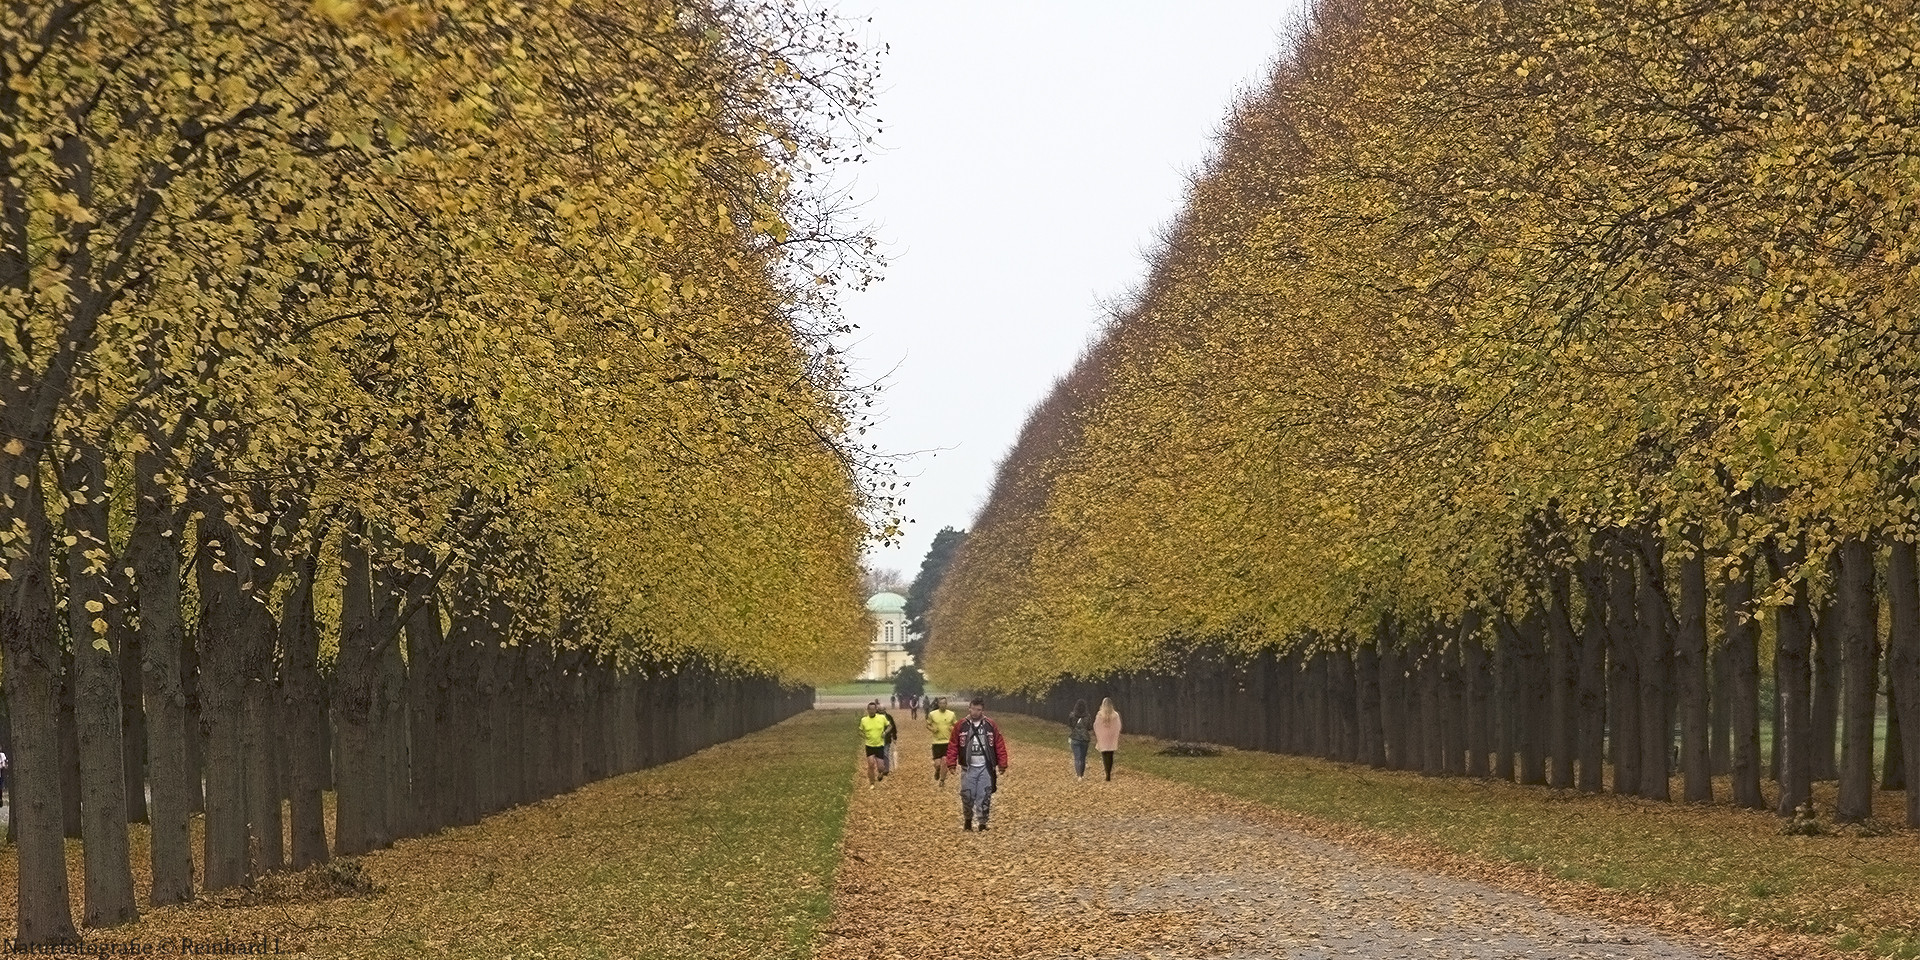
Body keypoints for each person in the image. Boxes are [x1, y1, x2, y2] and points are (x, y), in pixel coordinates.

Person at [944, 697, 1009, 831]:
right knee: (967, 795)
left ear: (982, 710)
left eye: (978, 710)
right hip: (968, 767)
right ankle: (968, 820)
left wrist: (1002, 763)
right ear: (969, 708)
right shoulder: (961, 725)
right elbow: (953, 744)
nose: (975, 712)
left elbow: (999, 744)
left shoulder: (990, 725)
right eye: (973, 709)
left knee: (984, 795)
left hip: (985, 766)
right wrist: (951, 763)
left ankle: (982, 823)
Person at [925, 697, 958, 787]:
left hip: (948, 742)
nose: (942, 705)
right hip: (936, 742)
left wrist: (953, 729)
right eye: (941, 703)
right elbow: (927, 725)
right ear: (938, 704)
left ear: (946, 704)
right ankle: (937, 770)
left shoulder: (951, 714)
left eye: (944, 703)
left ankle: (942, 780)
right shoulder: (932, 714)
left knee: (945, 761)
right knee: (938, 764)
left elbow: (957, 726)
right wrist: (933, 729)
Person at [859, 701, 890, 787]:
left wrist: (885, 732)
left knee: (880, 767)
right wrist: (864, 736)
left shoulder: (882, 718)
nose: (872, 711)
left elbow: (889, 726)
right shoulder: (864, 720)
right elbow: (860, 731)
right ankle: (872, 783)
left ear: (876, 710)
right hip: (869, 745)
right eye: (870, 709)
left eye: (873, 709)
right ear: (867, 710)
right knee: (871, 764)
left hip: (879, 745)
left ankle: (880, 773)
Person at [1093, 697, 1123, 782]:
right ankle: (1109, 773)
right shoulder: (1115, 715)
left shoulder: (1100, 714)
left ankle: (1107, 772)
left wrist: (1098, 734)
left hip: (1103, 737)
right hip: (1111, 737)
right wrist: (1115, 733)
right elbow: (1118, 725)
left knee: (1104, 755)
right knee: (1110, 755)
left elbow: (1096, 725)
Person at [1066, 700, 1092, 780]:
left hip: (1075, 738)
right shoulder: (1087, 716)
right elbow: (1089, 727)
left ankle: (1078, 776)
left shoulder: (1072, 715)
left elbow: (1070, 725)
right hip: (1085, 738)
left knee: (1077, 757)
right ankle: (1082, 774)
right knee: (1083, 758)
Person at [879, 702, 900, 777]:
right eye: (879, 711)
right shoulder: (876, 717)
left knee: (885, 753)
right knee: (879, 754)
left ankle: (886, 769)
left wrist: (894, 737)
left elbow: (893, 727)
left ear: (884, 710)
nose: (881, 712)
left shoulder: (889, 717)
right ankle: (881, 768)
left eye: (882, 710)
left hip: (887, 738)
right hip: (877, 739)